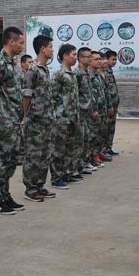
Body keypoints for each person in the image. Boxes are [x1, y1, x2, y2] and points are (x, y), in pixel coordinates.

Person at [0, 26, 26, 215]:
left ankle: (5, 195)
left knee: (10, 161)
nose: (22, 46)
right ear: (11, 42)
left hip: (13, 121)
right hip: (2, 122)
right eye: (20, 42)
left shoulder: (12, 63)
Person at [21, 35, 56, 202]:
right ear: (42, 49)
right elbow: (27, 95)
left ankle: (40, 185)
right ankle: (30, 188)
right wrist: (25, 116)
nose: (52, 50)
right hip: (35, 120)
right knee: (33, 155)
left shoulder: (45, 69)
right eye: (50, 47)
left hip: (46, 119)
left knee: (44, 154)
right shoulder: (32, 69)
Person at [50, 44, 79, 190]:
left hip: (72, 117)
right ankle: (56, 178)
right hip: (61, 118)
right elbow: (53, 96)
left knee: (69, 147)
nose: (75, 57)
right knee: (58, 149)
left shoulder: (72, 73)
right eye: (73, 55)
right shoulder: (58, 74)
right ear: (65, 56)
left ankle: (67, 173)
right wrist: (57, 114)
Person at [74, 47, 99, 177]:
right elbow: (75, 94)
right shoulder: (77, 73)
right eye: (88, 57)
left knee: (86, 139)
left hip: (87, 111)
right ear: (81, 58)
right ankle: (77, 166)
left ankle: (83, 163)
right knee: (79, 141)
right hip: (80, 111)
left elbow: (89, 93)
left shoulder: (87, 72)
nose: (90, 59)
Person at [89, 51, 110, 167]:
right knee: (94, 134)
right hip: (95, 110)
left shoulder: (97, 75)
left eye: (99, 59)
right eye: (96, 59)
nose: (99, 61)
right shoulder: (90, 75)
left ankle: (98, 152)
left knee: (101, 132)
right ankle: (93, 156)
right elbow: (91, 94)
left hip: (102, 109)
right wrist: (94, 109)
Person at [104, 50, 120, 156]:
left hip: (114, 105)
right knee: (106, 128)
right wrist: (110, 105)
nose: (114, 61)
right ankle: (104, 149)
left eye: (115, 59)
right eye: (112, 59)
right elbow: (107, 91)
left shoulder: (110, 71)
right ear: (107, 59)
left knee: (111, 128)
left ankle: (109, 148)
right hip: (109, 107)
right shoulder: (105, 72)